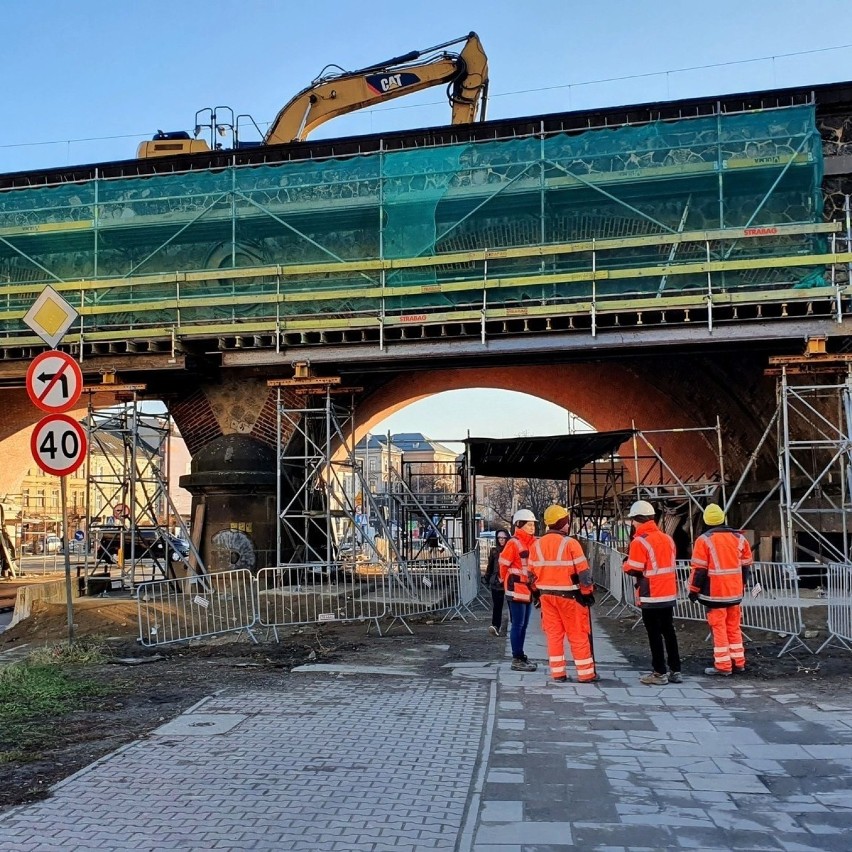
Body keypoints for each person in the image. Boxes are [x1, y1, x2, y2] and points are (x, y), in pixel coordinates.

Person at [528, 504, 599, 683]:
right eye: (566, 522)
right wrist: (588, 593)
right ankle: (586, 674)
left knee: (554, 635)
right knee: (578, 634)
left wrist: (537, 595)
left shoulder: (536, 545)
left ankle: (558, 673)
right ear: (561, 523)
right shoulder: (570, 543)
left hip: (546, 597)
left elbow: (531, 575)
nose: (568, 525)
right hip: (571, 597)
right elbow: (583, 573)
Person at [688, 502, 753, 677]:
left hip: (715, 594)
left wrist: (693, 591)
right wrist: (741, 587)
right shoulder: (740, 538)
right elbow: (746, 567)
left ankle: (723, 666)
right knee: (733, 627)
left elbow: (699, 570)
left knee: (719, 628)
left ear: (706, 521)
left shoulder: (704, 540)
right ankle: (739, 663)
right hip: (735, 593)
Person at [623, 500, 682, 686]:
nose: (632, 524)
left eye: (633, 520)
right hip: (668, 593)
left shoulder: (639, 541)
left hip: (651, 594)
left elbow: (635, 568)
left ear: (639, 520)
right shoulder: (667, 538)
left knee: (654, 634)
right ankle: (675, 670)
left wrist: (625, 564)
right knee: (669, 631)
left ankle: (659, 673)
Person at [498, 509, 539, 672]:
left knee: (523, 625)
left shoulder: (534, 542)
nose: (532, 527)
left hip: (527, 590)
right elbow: (503, 565)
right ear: (519, 525)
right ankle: (517, 658)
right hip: (515, 590)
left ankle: (520, 656)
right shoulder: (513, 543)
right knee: (518, 624)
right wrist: (504, 582)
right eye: (529, 525)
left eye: (533, 524)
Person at [482, 529, 510, 636]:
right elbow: (490, 566)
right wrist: (487, 577)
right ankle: (495, 626)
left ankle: (513, 628)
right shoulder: (494, 551)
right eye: (499, 538)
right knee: (497, 606)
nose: (501, 540)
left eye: (503, 538)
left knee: (512, 607)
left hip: (509, 582)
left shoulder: (510, 550)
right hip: (496, 582)